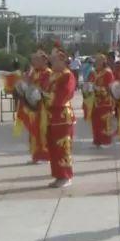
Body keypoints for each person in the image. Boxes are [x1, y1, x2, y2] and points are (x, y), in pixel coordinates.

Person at [45, 46, 77, 188]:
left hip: (63, 117)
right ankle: (58, 175)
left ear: (63, 60)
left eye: (54, 59)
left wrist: (44, 97)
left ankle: (65, 176)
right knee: (53, 148)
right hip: (51, 116)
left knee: (62, 147)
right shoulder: (53, 75)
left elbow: (63, 95)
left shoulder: (67, 75)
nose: (51, 62)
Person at [87, 53, 116, 148]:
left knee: (105, 122)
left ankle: (106, 141)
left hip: (105, 101)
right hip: (94, 101)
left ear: (104, 62)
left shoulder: (108, 72)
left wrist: (97, 88)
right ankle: (97, 141)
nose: (97, 62)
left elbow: (110, 88)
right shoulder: (93, 72)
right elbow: (88, 83)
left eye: (99, 60)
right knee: (95, 122)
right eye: (96, 60)